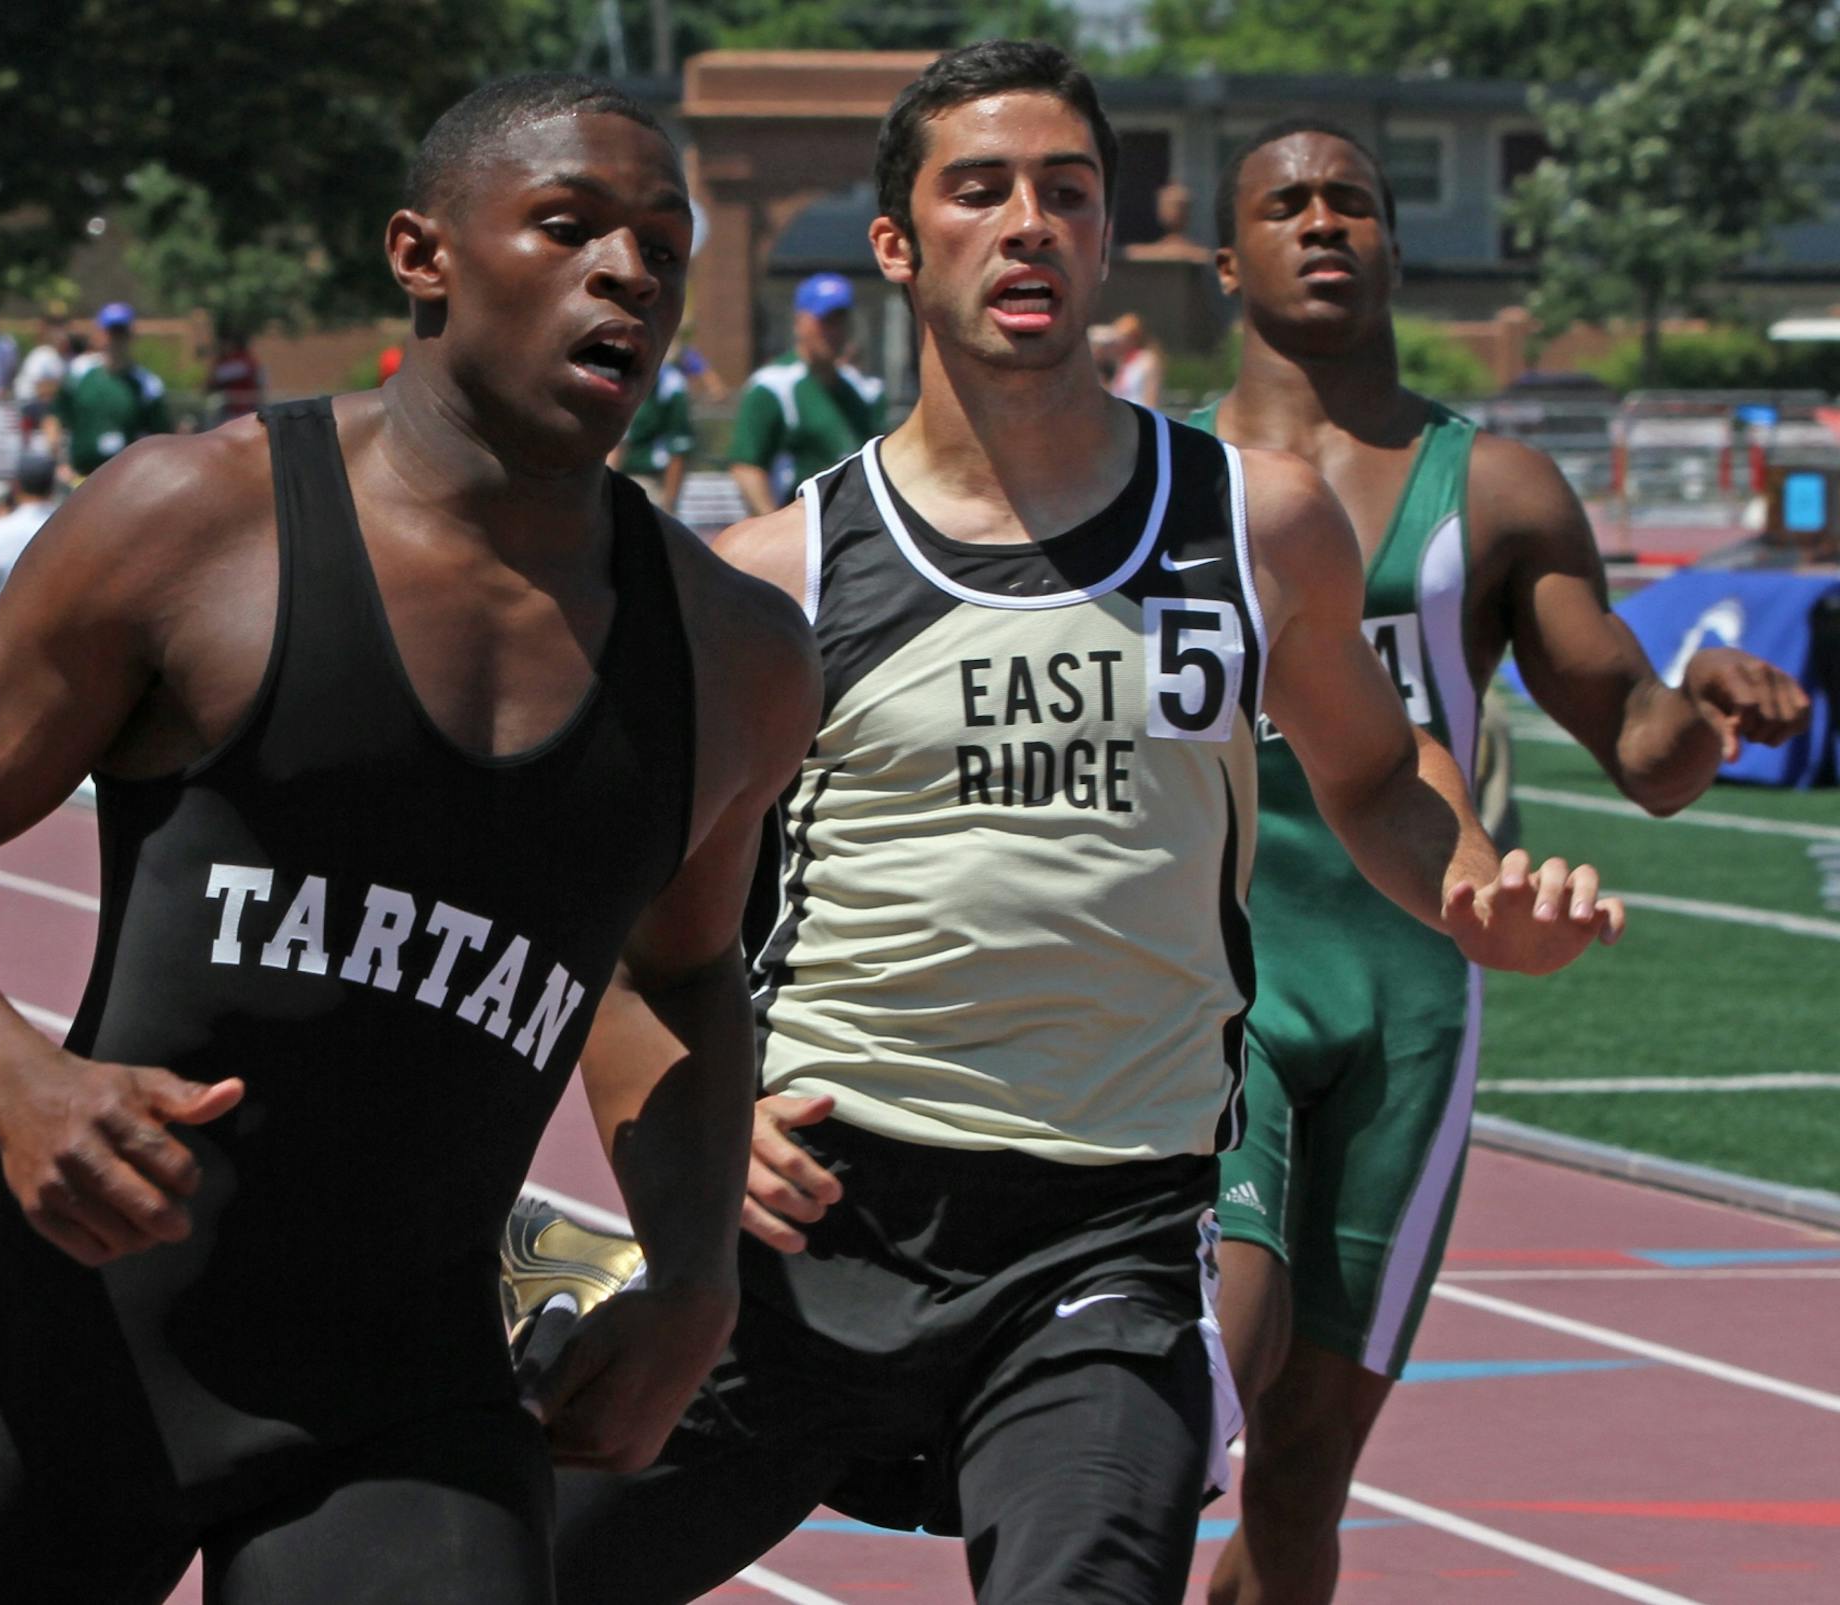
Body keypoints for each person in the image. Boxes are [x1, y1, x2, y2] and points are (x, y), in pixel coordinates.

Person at [534, 45, 1620, 1605]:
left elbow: (1379, 778)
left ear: (1109, 237)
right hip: (816, 1221)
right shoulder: (778, 573)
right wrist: (698, 1118)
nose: (1027, 223)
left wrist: (1469, 886)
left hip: (1104, 1242)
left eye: (1067, 191)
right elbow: (615, 924)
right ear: (898, 247)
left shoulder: (1260, 526)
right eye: (978, 191)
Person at [0, 70, 817, 1605]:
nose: (627, 272)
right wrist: (18, 1080)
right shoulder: (199, 524)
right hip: (82, 1334)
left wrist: (700, 1275)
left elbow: (682, 972)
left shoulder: (733, 656)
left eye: (661, 241)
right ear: (422, 254)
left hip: (409, 1391)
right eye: (569, 226)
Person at [1191, 120, 1813, 1605]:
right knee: (1219, 1347)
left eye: (1353, 203)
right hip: (1213, 976)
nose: (1324, 224)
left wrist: (1708, 713)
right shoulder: (1164, 480)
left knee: (1304, 1466)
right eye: (1288, 205)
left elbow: (1639, 752)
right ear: (1229, 261)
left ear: (1397, 246)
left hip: (1415, 988)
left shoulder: (1501, 487)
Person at [726, 271, 884, 514]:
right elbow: (746, 466)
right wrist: (772, 525)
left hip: (856, 528)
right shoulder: (773, 386)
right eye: (825, 321)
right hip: (798, 524)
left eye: (840, 320)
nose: (834, 331)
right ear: (800, 322)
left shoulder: (865, 391)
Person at [46, 302, 170, 480]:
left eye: (121, 333)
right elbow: (55, 417)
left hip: (127, 481)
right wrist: (58, 463)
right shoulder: (79, 373)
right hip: (80, 477)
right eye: (111, 332)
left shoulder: (147, 384)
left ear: (131, 335)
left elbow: (161, 436)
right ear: (99, 334)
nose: (115, 339)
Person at [0, 452, 60, 601]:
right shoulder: (63, 526)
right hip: (55, 618)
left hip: (3, 617)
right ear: (52, 485)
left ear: (16, 486)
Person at [611, 356, 693, 510]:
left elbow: (677, 449)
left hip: (647, 479)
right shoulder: (612, 375)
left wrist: (669, 504)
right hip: (609, 480)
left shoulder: (670, 384)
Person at [12, 311, 71, 430]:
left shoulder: (66, 360)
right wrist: (59, 387)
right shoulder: (41, 354)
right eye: (56, 327)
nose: (61, 334)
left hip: (49, 406)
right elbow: (41, 390)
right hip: (30, 406)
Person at [205, 326, 267, 425]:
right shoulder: (244, 361)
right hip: (233, 412)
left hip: (242, 413)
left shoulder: (242, 362)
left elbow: (212, 382)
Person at [1105, 311, 1163, 405]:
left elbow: (1151, 397)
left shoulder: (1147, 361)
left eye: (1122, 337)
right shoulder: (1118, 362)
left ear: (1134, 338)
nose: (1117, 341)